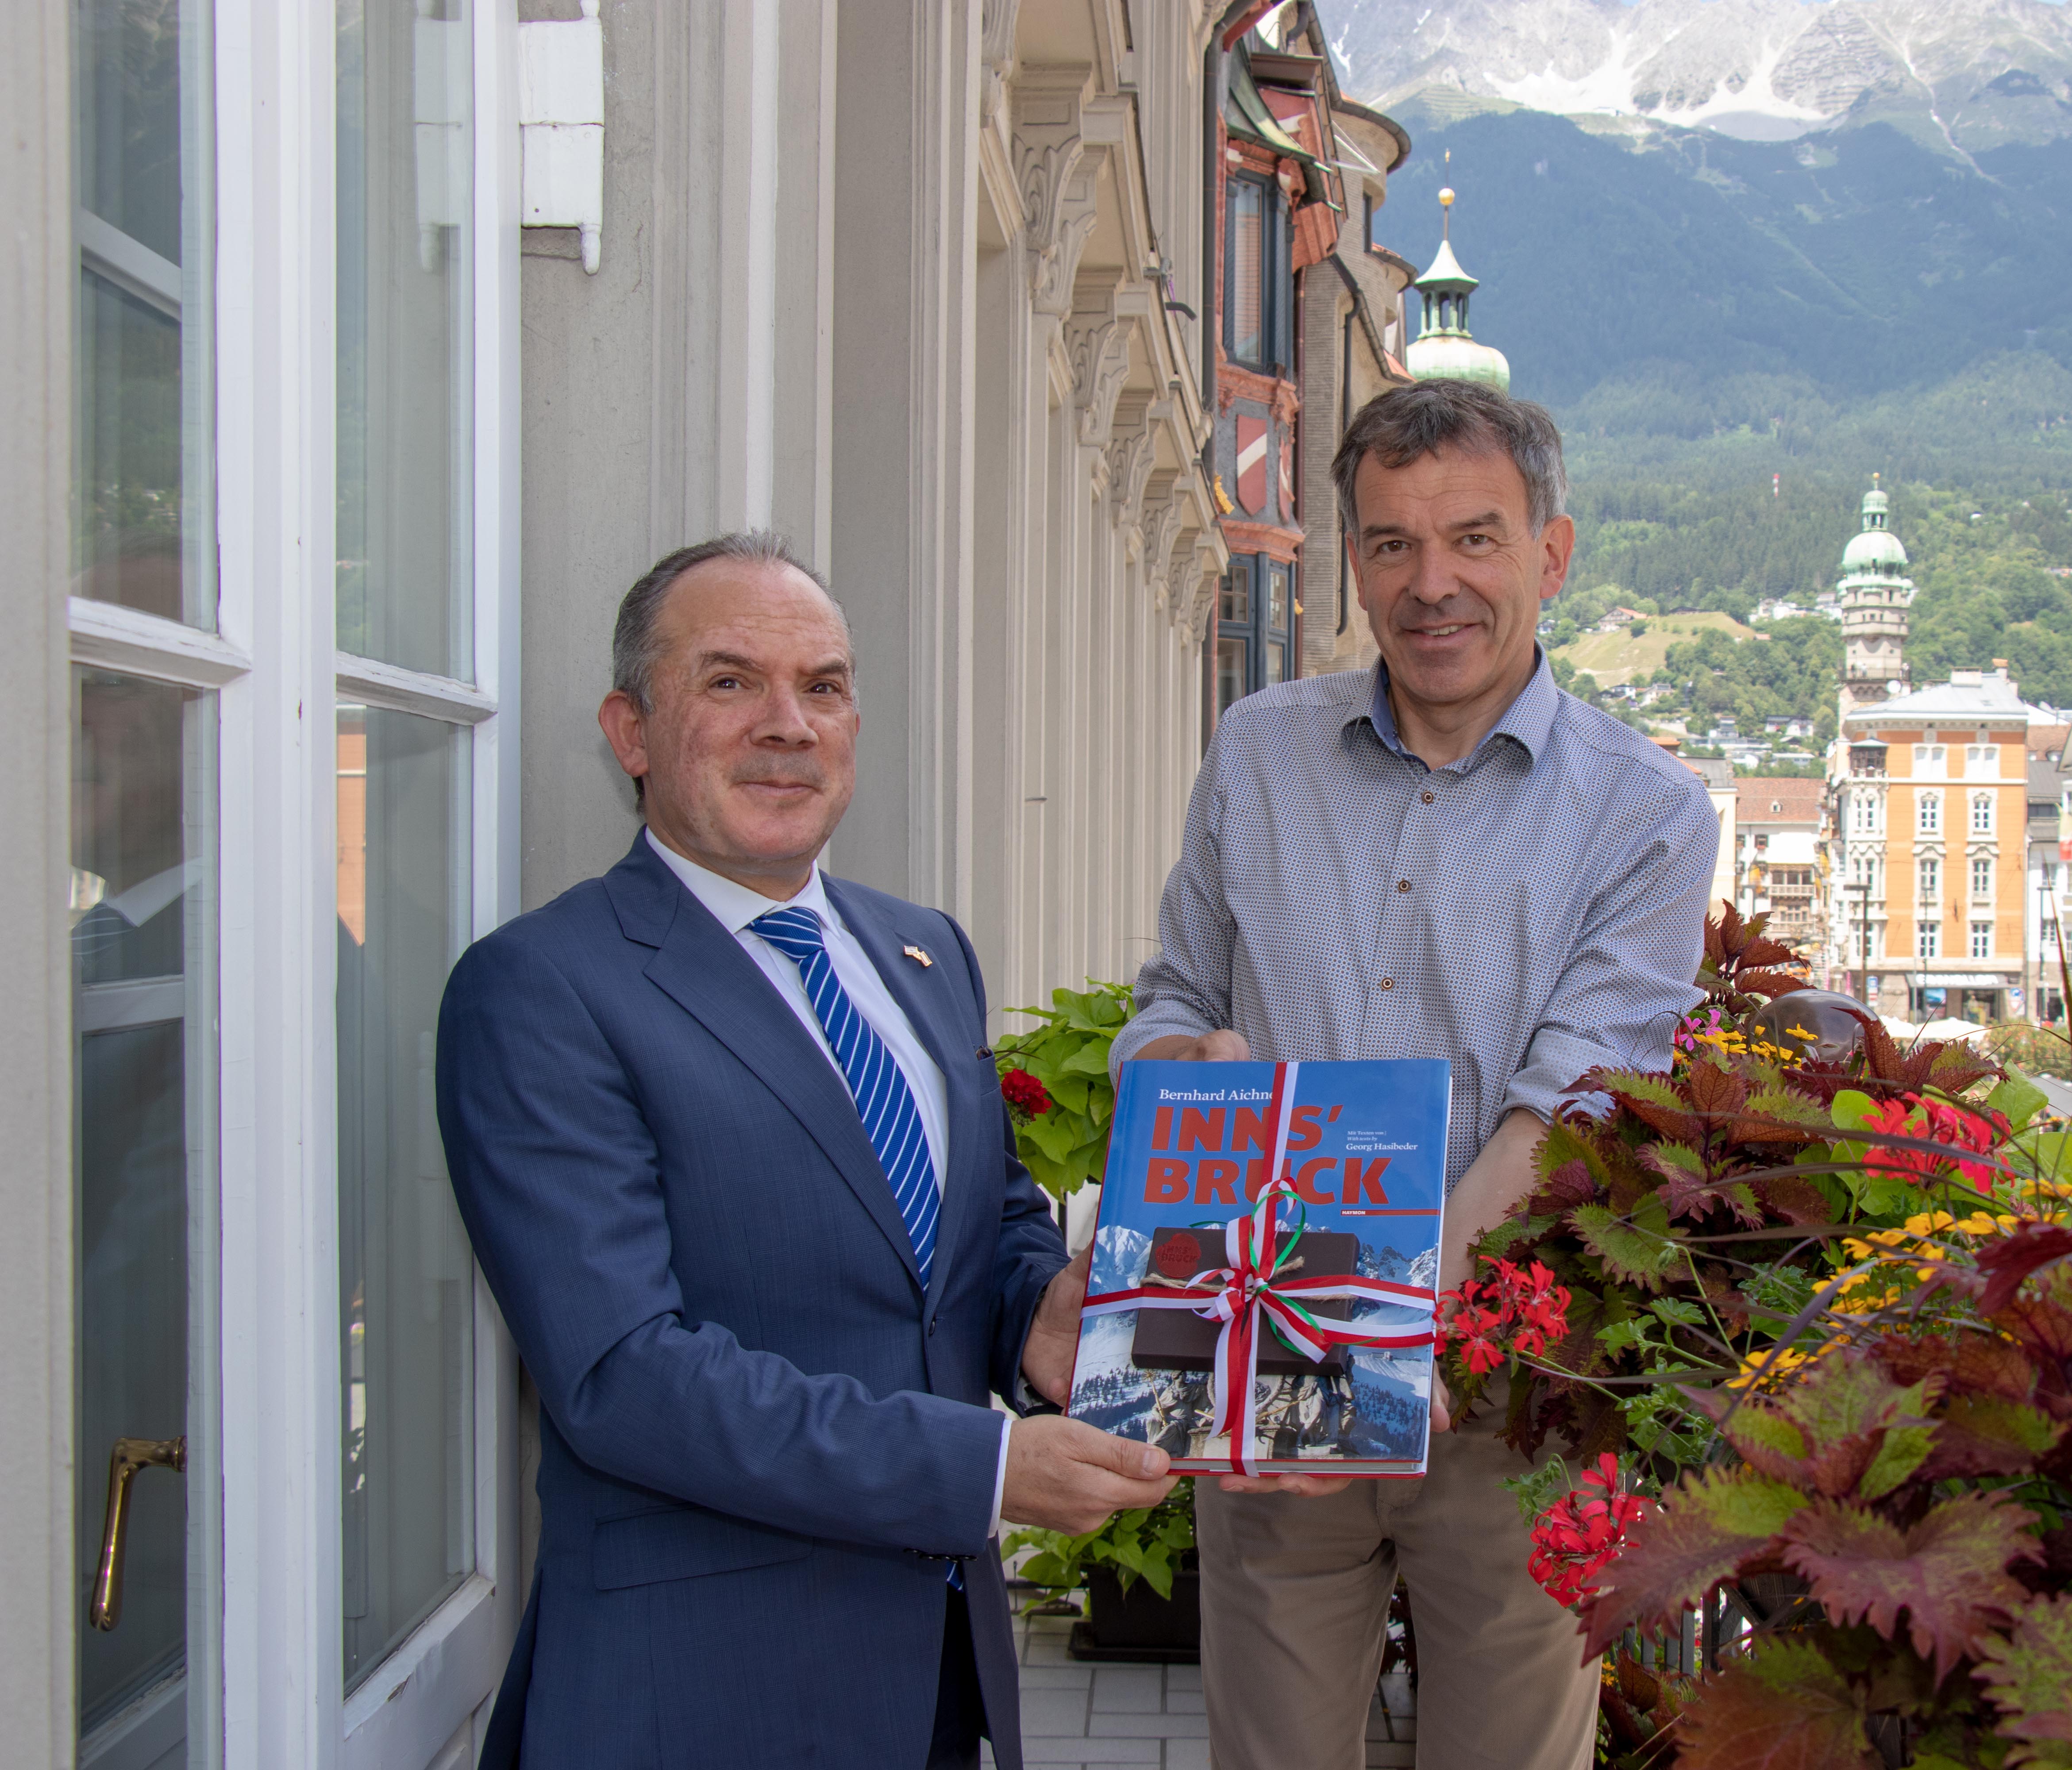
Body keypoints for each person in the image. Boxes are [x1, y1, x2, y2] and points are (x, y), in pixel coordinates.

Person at [437, 532, 1176, 1770]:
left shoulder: (922, 951)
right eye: (731, 683)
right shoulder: (542, 989)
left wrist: (1039, 1314)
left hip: (937, 1678)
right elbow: (623, 1375)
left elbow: (980, 1229)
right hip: (700, 1694)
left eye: (822, 686)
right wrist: (987, 1464)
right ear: (631, 731)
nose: (790, 725)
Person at [1112, 381, 1720, 1769]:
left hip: (1510, 1397)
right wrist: (1185, 1074)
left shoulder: (1646, 816)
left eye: (1475, 539)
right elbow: (1176, 999)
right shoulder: (1260, 751)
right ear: (1354, 564)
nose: (1431, 584)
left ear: (1552, 555)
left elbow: (1570, 1114)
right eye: (1390, 544)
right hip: (1277, 1379)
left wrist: (1383, 1324)